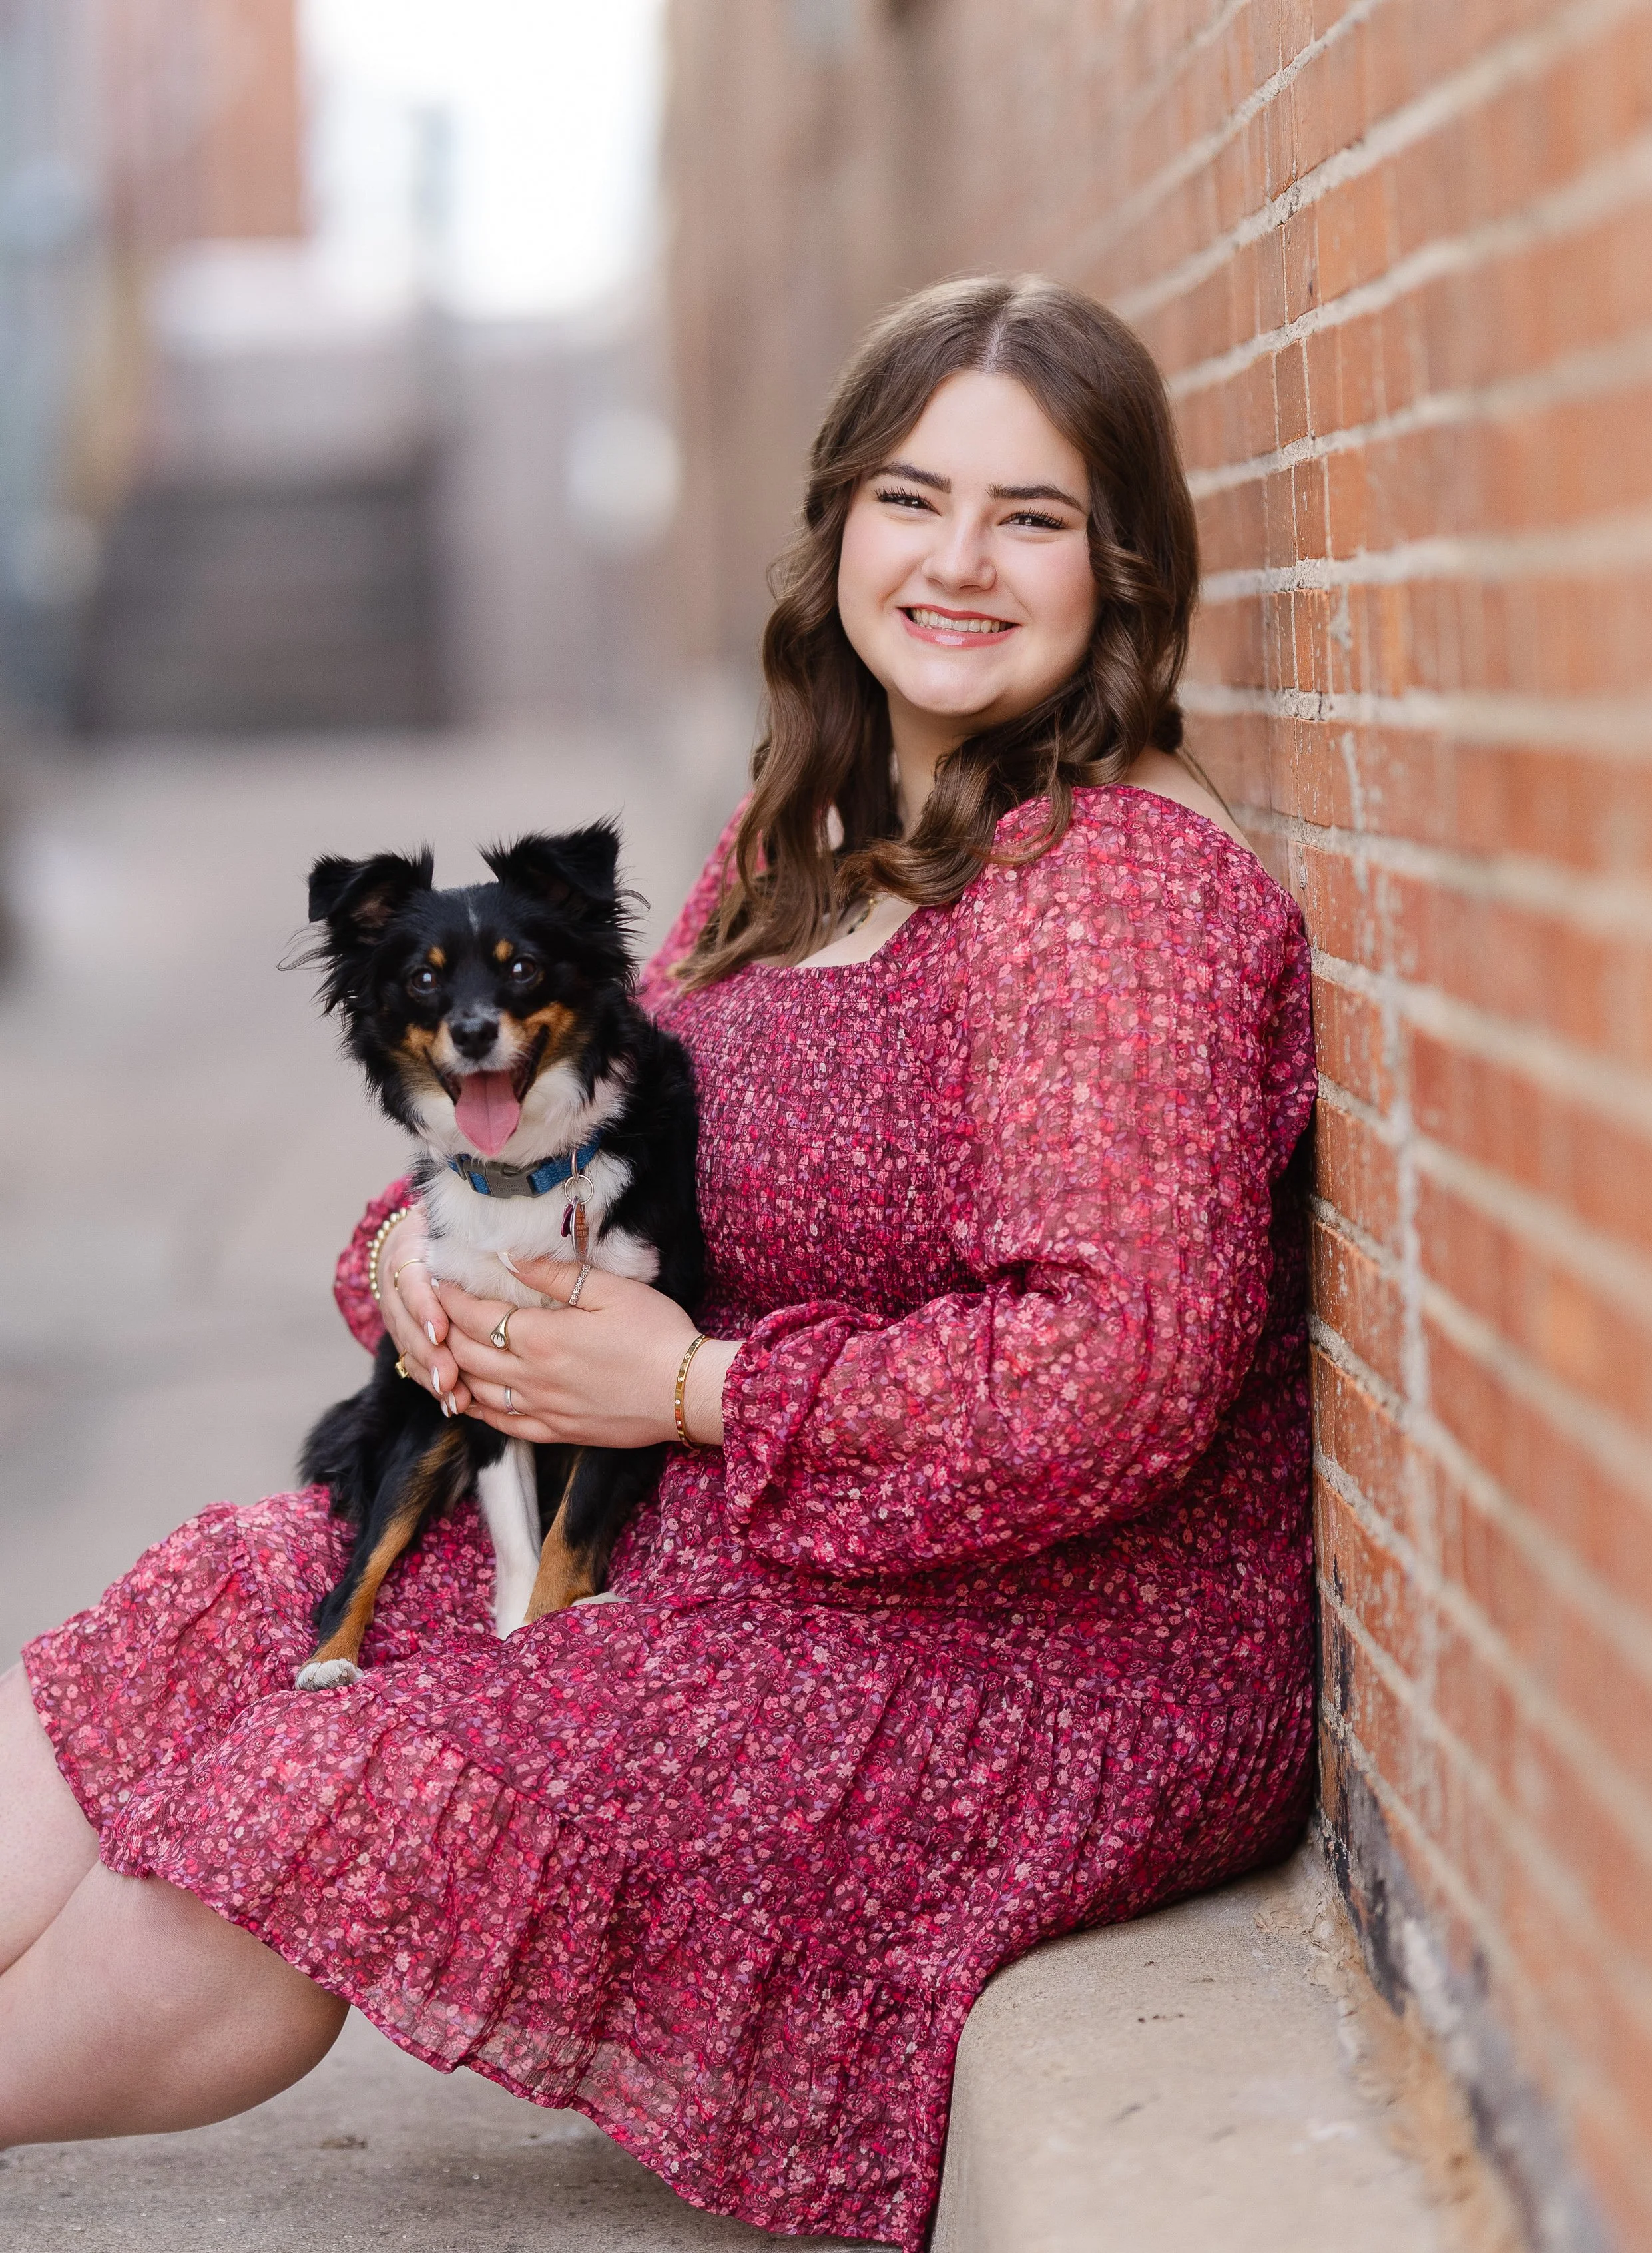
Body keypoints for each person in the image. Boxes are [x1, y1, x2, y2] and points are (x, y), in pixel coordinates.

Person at [0, 276, 1316, 2251]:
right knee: (237, 1595)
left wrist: (694, 1389)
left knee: (357, 1781)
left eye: (1032, 518)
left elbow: (1109, 1374)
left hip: (1039, 1640)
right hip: (740, 1527)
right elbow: (557, 1135)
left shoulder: (1116, 889)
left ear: (1124, 572)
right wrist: (415, 1277)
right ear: (839, 527)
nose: (959, 562)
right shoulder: (805, 838)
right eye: (911, 498)